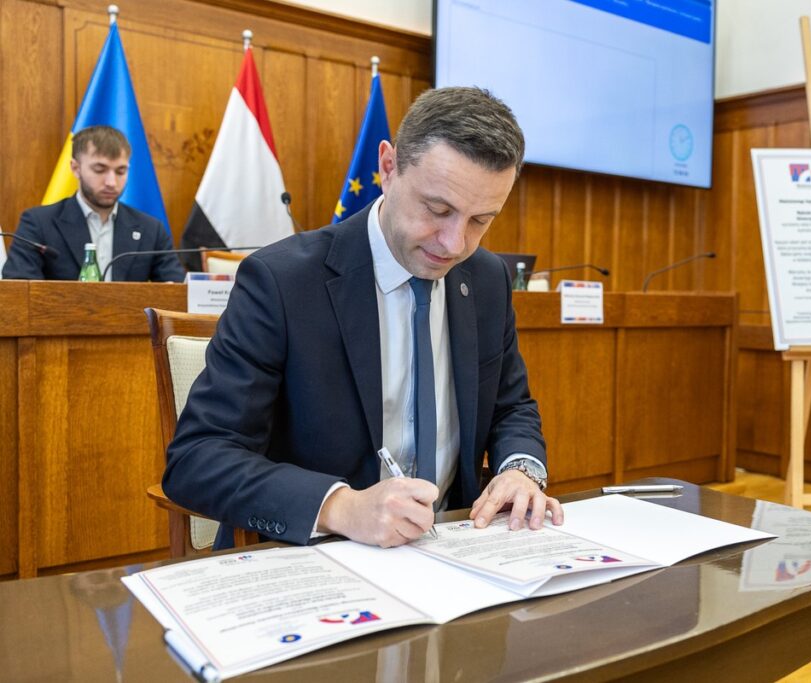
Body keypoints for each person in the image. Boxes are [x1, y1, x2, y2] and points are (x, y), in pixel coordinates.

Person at [163, 86, 563, 549]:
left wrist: (519, 469)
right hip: (320, 557)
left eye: (481, 220)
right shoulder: (282, 281)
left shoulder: (487, 278)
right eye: (438, 210)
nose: (454, 244)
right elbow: (197, 458)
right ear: (388, 168)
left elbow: (511, 407)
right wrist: (341, 508)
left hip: (458, 547)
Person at [1, 125, 185, 282]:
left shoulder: (150, 229)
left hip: (130, 324)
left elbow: (175, 288)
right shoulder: (38, 223)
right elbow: (20, 288)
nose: (111, 182)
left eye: (120, 171)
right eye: (100, 170)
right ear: (75, 168)